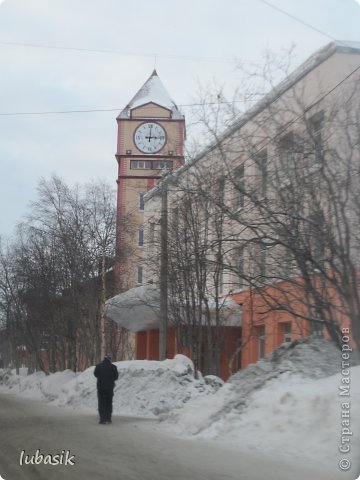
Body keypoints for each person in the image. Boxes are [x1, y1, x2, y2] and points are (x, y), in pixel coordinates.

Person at [94, 355, 119, 424]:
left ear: (104, 359)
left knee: (101, 403)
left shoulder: (98, 366)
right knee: (109, 403)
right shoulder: (113, 367)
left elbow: (95, 374)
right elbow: (116, 377)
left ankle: (102, 419)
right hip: (109, 388)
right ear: (110, 360)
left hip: (101, 388)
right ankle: (108, 418)